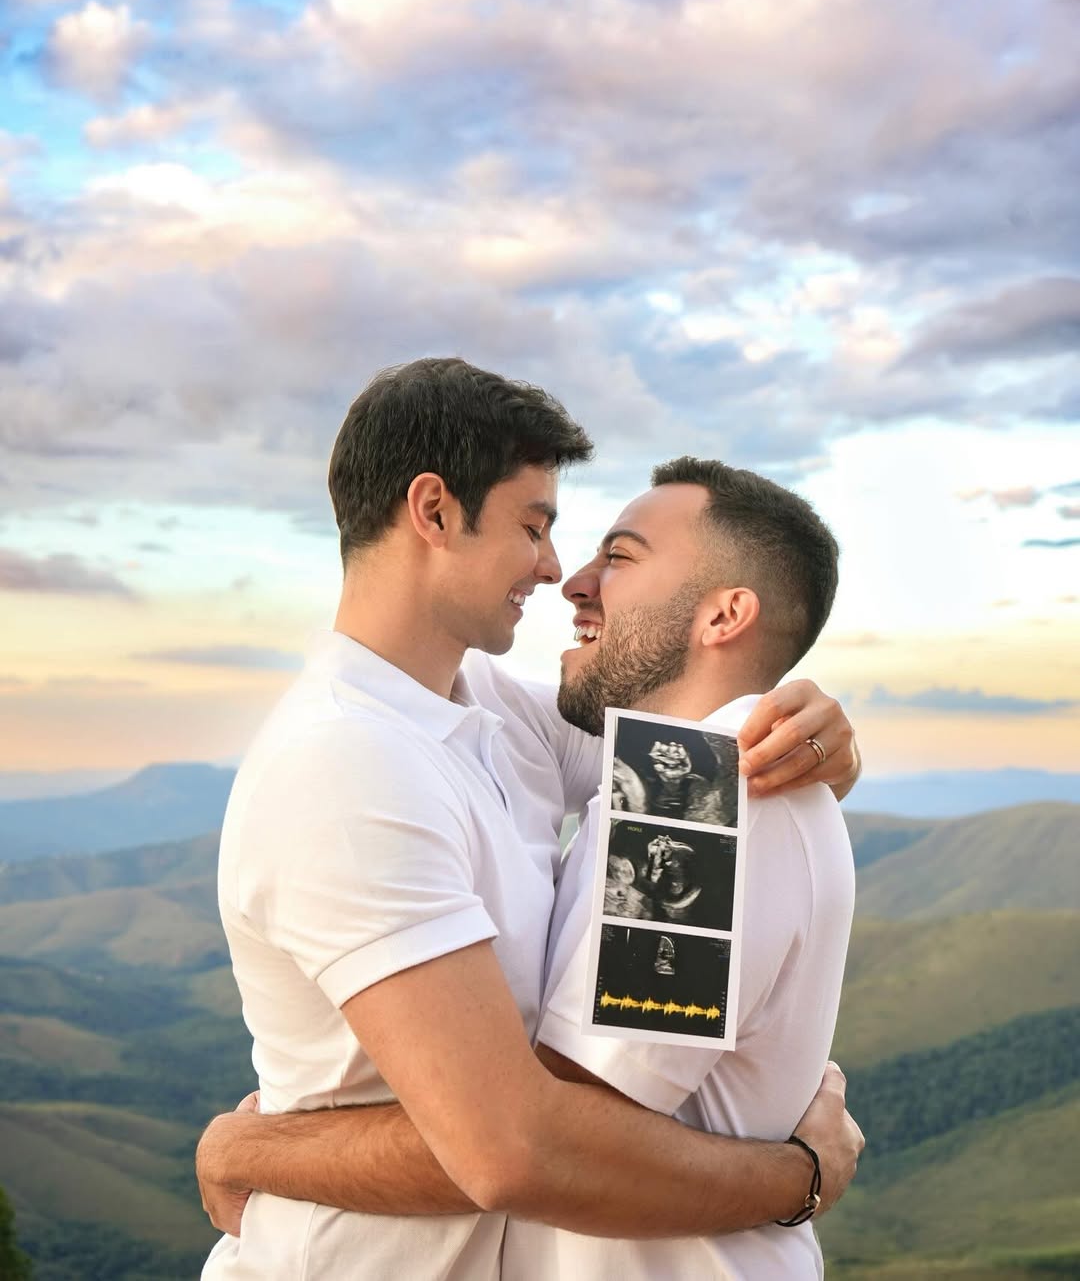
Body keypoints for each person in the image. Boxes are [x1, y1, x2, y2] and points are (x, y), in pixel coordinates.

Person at [196, 358, 862, 1281]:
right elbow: (514, 1146)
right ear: (434, 512)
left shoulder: (510, 719)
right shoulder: (342, 762)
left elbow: (694, 766)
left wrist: (808, 741)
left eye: (612, 554)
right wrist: (800, 1175)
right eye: (534, 527)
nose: (558, 571)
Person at [501, 456, 856, 1278]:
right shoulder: (685, 779)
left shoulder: (697, 789)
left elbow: (558, 1143)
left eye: (620, 557)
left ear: (725, 615)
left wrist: (265, 1151)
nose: (575, 583)